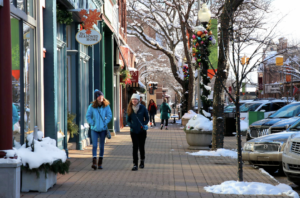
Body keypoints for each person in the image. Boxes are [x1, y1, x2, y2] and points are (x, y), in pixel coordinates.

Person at [86, 89, 112, 170]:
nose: (100, 98)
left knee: (101, 146)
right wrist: (92, 123)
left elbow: (109, 115)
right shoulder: (92, 106)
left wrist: (105, 122)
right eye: (99, 96)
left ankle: (100, 163)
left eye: (101, 96)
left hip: (103, 129)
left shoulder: (106, 106)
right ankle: (94, 162)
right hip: (94, 129)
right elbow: (88, 116)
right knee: (94, 145)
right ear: (96, 98)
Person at [126, 94, 149, 171]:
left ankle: (142, 162)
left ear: (138, 100)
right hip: (133, 131)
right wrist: (131, 125)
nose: (134, 101)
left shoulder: (142, 108)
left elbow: (147, 118)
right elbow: (127, 120)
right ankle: (135, 164)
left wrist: (144, 124)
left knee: (141, 147)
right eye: (133, 99)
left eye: (135, 99)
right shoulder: (129, 108)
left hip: (142, 131)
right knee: (135, 147)